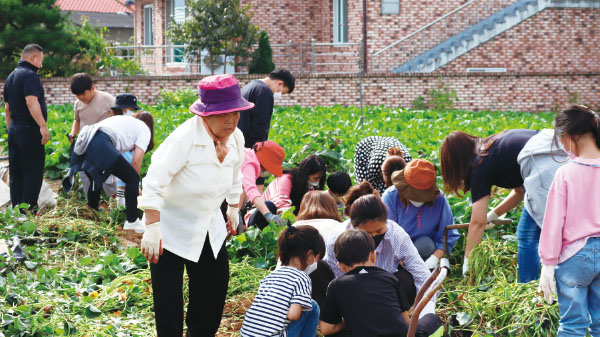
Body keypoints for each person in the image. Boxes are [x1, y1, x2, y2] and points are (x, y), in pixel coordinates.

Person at [137, 74, 251, 337]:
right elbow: (154, 180)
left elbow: (236, 173)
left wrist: (233, 206)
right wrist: (152, 225)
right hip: (171, 226)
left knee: (214, 287)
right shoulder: (184, 139)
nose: (231, 120)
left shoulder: (236, 137)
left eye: (236, 112)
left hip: (208, 224)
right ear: (206, 114)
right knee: (168, 298)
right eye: (223, 113)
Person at [440, 129, 539, 282]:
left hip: (548, 165)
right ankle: (536, 283)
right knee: (533, 235)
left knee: (527, 235)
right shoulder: (490, 147)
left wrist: (468, 262)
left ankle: (530, 285)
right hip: (556, 152)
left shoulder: (479, 164)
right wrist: (491, 216)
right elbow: (519, 193)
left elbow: (477, 223)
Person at [538, 105, 600, 337]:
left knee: (572, 325)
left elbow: (554, 223)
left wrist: (547, 263)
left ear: (570, 137)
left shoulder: (566, 173)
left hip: (575, 257)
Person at [324, 182, 433, 310]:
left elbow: (421, 272)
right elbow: (338, 280)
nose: (374, 236)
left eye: (379, 231)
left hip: (387, 292)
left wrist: (427, 309)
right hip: (352, 293)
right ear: (353, 227)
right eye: (367, 233)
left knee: (406, 279)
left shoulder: (396, 234)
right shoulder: (337, 240)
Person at [319, 230, 443, 337]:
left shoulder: (336, 285)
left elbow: (326, 329)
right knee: (433, 320)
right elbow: (406, 323)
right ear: (373, 256)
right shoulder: (389, 278)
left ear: (340, 266)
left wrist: (350, 318)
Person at [63, 112, 154, 232]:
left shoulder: (126, 123)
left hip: (84, 139)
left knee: (95, 180)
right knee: (132, 178)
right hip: (100, 140)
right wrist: (135, 187)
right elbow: (136, 161)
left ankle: (93, 215)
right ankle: (132, 222)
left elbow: (113, 164)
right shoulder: (144, 130)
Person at [241, 225, 324, 337]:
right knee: (313, 307)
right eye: (316, 259)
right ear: (310, 255)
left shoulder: (271, 275)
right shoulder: (302, 278)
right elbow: (293, 316)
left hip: (246, 333)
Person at [382, 159, 459, 270]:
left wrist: (434, 258)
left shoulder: (439, 200)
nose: (418, 199)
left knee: (426, 244)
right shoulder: (391, 197)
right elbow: (387, 236)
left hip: (423, 249)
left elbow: (448, 234)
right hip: (395, 254)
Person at [3, 44, 49, 213]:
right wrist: (43, 126)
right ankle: (29, 209)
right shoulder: (30, 76)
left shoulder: (11, 77)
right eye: (41, 61)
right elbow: (31, 101)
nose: (41, 65)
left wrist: (11, 130)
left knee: (16, 172)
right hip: (29, 129)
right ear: (33, 58)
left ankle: (17, 210)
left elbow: (7, 109)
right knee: (33, 171)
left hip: (15, 129)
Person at [68, 73, 117, 198]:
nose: (80, 98)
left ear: (92, 88)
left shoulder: (108, 99)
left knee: (109, 177)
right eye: (77, 95)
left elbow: (118, 119)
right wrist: (74, 133)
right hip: (85, 144)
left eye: (83, 94)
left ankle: (116, 204)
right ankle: (92, 207)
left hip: (104, 144)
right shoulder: (78, 104)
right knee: (86, 175)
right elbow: (77, 120)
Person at [293, 190, 344, 306]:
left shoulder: (293, 228)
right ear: (332, 207)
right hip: (326, 290)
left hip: (291, 288)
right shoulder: (337, 227)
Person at [247, 154, 326, 228]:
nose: (317, 182)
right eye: (315, 178)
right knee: (269, 206)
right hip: (262, 217)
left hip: (286, 222)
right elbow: (281, 202)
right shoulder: (286, 179)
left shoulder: (310, 188)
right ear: (305, 175)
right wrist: (299, 224)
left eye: (320, 178)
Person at [238, 69, 295, 149]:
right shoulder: (264, 92)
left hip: (239, 142)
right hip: (249, 147)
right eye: (282, 92)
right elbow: (261, 122)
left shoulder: (251, 85)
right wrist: (259, 145)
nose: (280, 95)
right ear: (280, 84)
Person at [240, 140, 286, 231]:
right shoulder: (249, 163)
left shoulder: (247, 155)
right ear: (265, 164)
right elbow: (251, 189)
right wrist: (268, 214)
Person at [110, 94, 144, 207]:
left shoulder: (122, 122)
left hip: (123, 161)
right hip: (122, 161)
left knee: (121, 187)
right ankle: (119, 208)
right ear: (124, 109)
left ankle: (118, 207)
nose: (133, 112)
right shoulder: (118, 125)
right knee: (122, 185)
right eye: (132, 110)